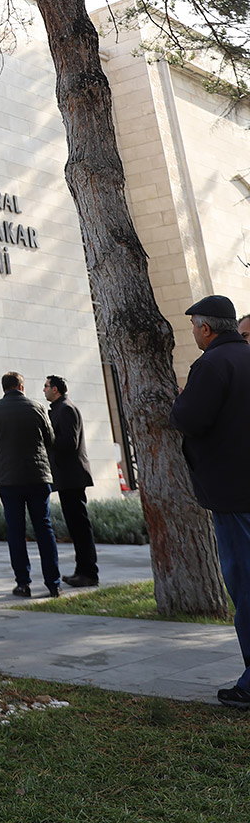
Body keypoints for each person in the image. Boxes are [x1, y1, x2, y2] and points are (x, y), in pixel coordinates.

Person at [170, 293, 250, 708]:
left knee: (246, 582)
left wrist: (179, 401)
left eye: (194, 328)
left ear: (205, 328)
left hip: (233, 493)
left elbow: (189, 418)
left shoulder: (212, 364)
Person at [0, 371, 61, 598]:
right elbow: (51, 439)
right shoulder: (37, 408)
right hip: (38, 476)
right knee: (44, 528)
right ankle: (53, 583)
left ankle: (23, 583)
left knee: (16, 531)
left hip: (9, 479)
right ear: (22, 387)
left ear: (4, 388)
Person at [44, 375, 98, 588]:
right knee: (76, 527)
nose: (44, 390)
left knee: (80, 526)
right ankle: (82, 570)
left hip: (72, 477)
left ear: (55, 389)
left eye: (46, 386)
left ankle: (88, 572)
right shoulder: (60, 408)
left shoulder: (66, 409)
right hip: (67, 477)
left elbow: (69, 442)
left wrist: (47, 436)